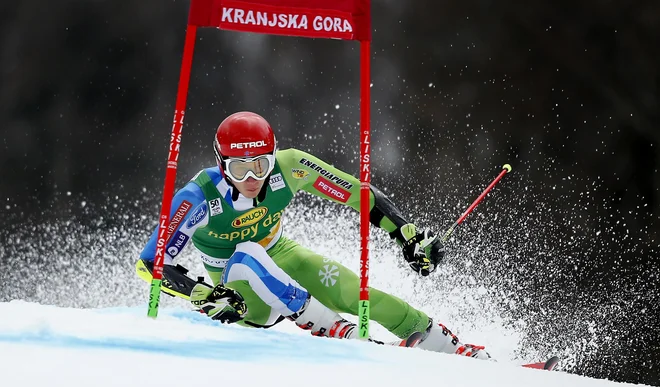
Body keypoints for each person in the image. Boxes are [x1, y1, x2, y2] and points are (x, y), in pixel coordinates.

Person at [136, 111, 491, 359]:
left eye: (260, 164)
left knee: (355, 292)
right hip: (241, 292)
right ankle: (335, 329)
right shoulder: (197, 198)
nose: (250, 177)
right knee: (246, 251)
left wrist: (407, 236)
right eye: (238, 167)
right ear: (221, 164)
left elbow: (358, 193)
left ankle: (446, 345)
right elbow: (148, 264)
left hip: (282, 255)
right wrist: (205, 293)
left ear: (274, 157)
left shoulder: (290, 167)